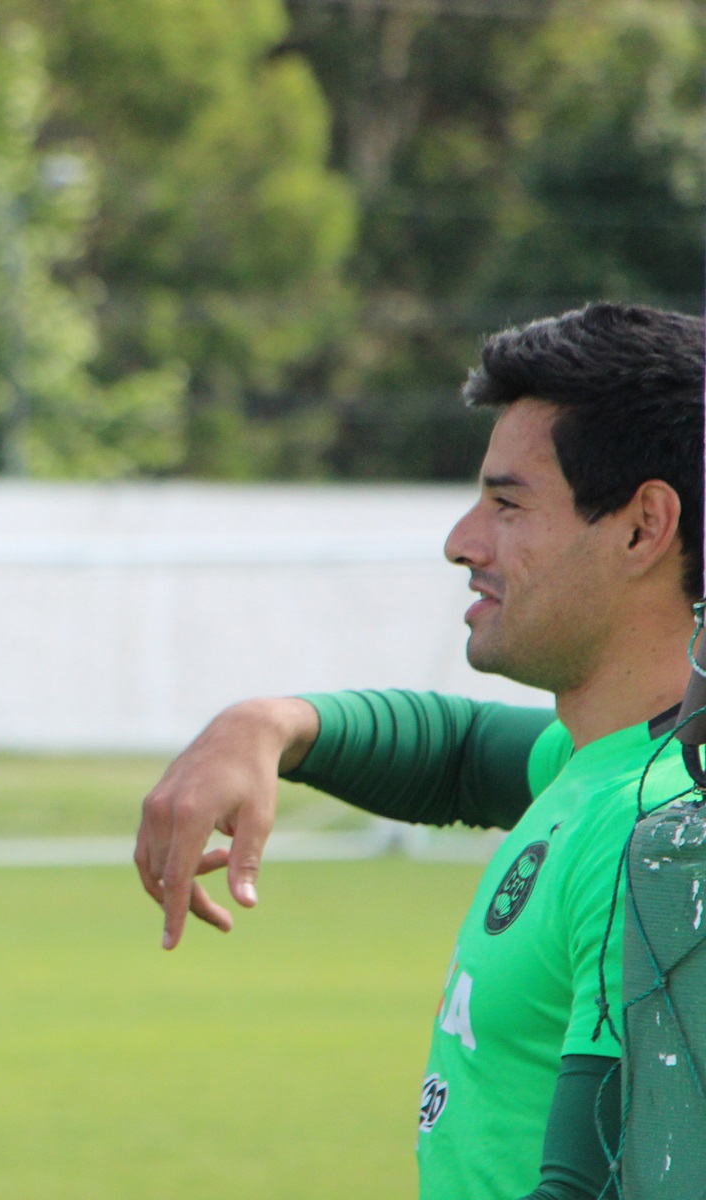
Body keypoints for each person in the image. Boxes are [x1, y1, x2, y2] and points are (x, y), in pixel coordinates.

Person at [134, 302, 702, 1200]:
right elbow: (459, 751)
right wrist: (273, 724)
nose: (461, 542)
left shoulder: (659, 831)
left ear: (642, 527)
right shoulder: (599, 761)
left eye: (507, 504)